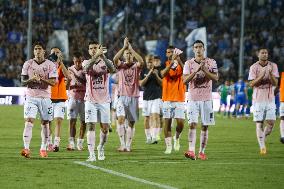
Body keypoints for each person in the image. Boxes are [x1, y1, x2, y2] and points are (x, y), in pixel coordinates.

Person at [183, 40, 219, 160]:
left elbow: (216, 78)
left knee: (205, 126)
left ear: (204, 49)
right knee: (192, 124)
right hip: (193, 99)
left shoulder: (211, 62)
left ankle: (202, 152)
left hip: (207, 99)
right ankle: (191, 151)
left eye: (200, 47)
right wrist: (195, 71)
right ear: (193, 49)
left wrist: (204, 70)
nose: (198, 49)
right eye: (196, 47)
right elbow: (184, 81)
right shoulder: (188, 63)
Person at [20, 42, 57, 158]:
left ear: (44, 51)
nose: (37, 51)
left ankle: (43, 148)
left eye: (39, 49)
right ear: (33, 51)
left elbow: (53, 82)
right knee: (29, 121)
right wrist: (31, 79)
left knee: (45, 123)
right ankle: (26, 148)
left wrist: (41, 79)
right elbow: (23, 81)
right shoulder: (28, 64)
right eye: (35, 49)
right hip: (31, 97)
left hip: (45, 98)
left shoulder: (50, 64)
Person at [83, 41, 116, 161]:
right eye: (91, 48)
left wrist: (103, 57)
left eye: (95, 48)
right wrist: (97, 55)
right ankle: (91, 154)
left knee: (105, 128)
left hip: (104, 100)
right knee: (91, 126)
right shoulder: (86, 62)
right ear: (89, 51)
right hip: (90, 100)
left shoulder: (106, 62)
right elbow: (86, 69)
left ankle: (100, 147)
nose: (93, 50)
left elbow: (113, 69)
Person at [113, 37, 144, 152]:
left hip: (134, 97)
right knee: (120, 119)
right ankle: (122, 144)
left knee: (131, 123)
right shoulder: (121, 65)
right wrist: (124, 47)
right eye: (127, 54)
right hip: (122, 97)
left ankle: (128, 145)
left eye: (130, 54)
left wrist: (131, 49)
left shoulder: (136, 66)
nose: (129, 55)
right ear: (124, 55)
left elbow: (141, 61)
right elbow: (115, 58)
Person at [248, 48, 279, 154]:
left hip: (270, 98)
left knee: (271, 123)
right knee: (259, 122)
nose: (265, 54)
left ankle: (262, 138)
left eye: (266, 52)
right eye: (262, 53)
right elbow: (251, 84)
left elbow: (275, 83)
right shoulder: (254, 67)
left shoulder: (273, 66)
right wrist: (261, 76)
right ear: (258, 55)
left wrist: (270, 74)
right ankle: (262, 147)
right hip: (258, 98)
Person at [161, 46, 185, 154]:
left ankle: (177, 137)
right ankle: (169, 146)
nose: (169, 53)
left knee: (180, 123)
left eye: (171, 52)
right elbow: (162, 74)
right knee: (167, 123)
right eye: (167, 52)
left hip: (179, 97)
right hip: (167, 98)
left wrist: (179, 60)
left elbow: (186, 73)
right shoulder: (164, 64)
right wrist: (171, 63)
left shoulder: (181, 65)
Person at [48, 47, 71, 152]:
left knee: (58, 120)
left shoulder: (61, 66)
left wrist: (61, 62)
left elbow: (68, 76)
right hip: (48, 97)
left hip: (60, 98)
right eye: (54, 52)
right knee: (48, 122)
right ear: (50, 54)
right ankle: (49, 143)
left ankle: (56, 144)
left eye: (57, 52)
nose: (55, 54)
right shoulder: (46, 66)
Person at [66, 51, 86, 151]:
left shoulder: (86, 70)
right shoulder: (69, 69)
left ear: (82, 61)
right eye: (76, 62)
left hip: (84, 100)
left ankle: (80, 143)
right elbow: (66, 86)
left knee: (83, 122)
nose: (78, 64)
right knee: (72, 122)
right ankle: (71, 143)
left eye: (79, 62)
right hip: (72, 99)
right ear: (73, 61)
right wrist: (69, 80)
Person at [140, 55, 162, 144]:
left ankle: (154, 137)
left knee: (155, 117)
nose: (149, 63)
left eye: (151, 61)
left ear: (154, 61)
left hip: (156, 97)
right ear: (146, 62)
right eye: (148, 61)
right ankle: (148, 137)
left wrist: (156, 75)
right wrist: (148, 74)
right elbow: (141, 83)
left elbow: (162, 84)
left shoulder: (159, 71)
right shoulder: (143, 71)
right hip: (146, 98)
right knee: (146, 118)